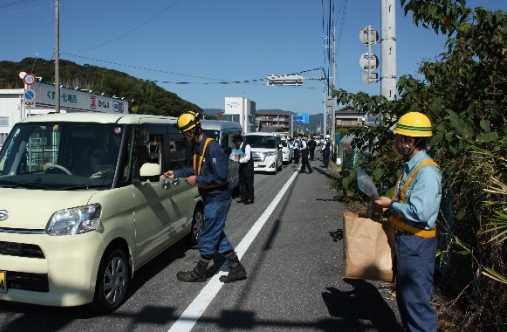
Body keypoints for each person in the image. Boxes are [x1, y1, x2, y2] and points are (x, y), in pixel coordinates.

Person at [374, 112, 441, 332]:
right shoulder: (411, 166)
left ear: (410, 141)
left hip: (417, 245)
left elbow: (420, 213)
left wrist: (390, 205)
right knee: (405, 298)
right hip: (406, 242)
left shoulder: (427, 172)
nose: (395, 142)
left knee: (417, 303)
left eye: (398, 138)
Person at [163, 111, 247, 283]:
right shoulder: (198, 147)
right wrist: (177, 173)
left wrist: (198, 180)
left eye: (185, 133)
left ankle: (199, 272)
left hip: (218, 198)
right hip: (210, 198)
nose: (184, 137)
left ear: (192, 131)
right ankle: (237, 268)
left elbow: (221, 176)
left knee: (207, 235)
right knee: (216, 234)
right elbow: (195, 169)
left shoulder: (212, 147)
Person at [231, 134, 254, 204]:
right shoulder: (237, 147)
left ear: (239, 141)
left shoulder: (247, 146)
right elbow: (233, 156)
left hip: (248, 167)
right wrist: (233, 158)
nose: (235, 143)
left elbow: (247, 157)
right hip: (241, 167)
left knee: (248, 183)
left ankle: (250, 198)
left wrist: (239, 160)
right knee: (241, 183)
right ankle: (243, 197)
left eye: (235, 142)